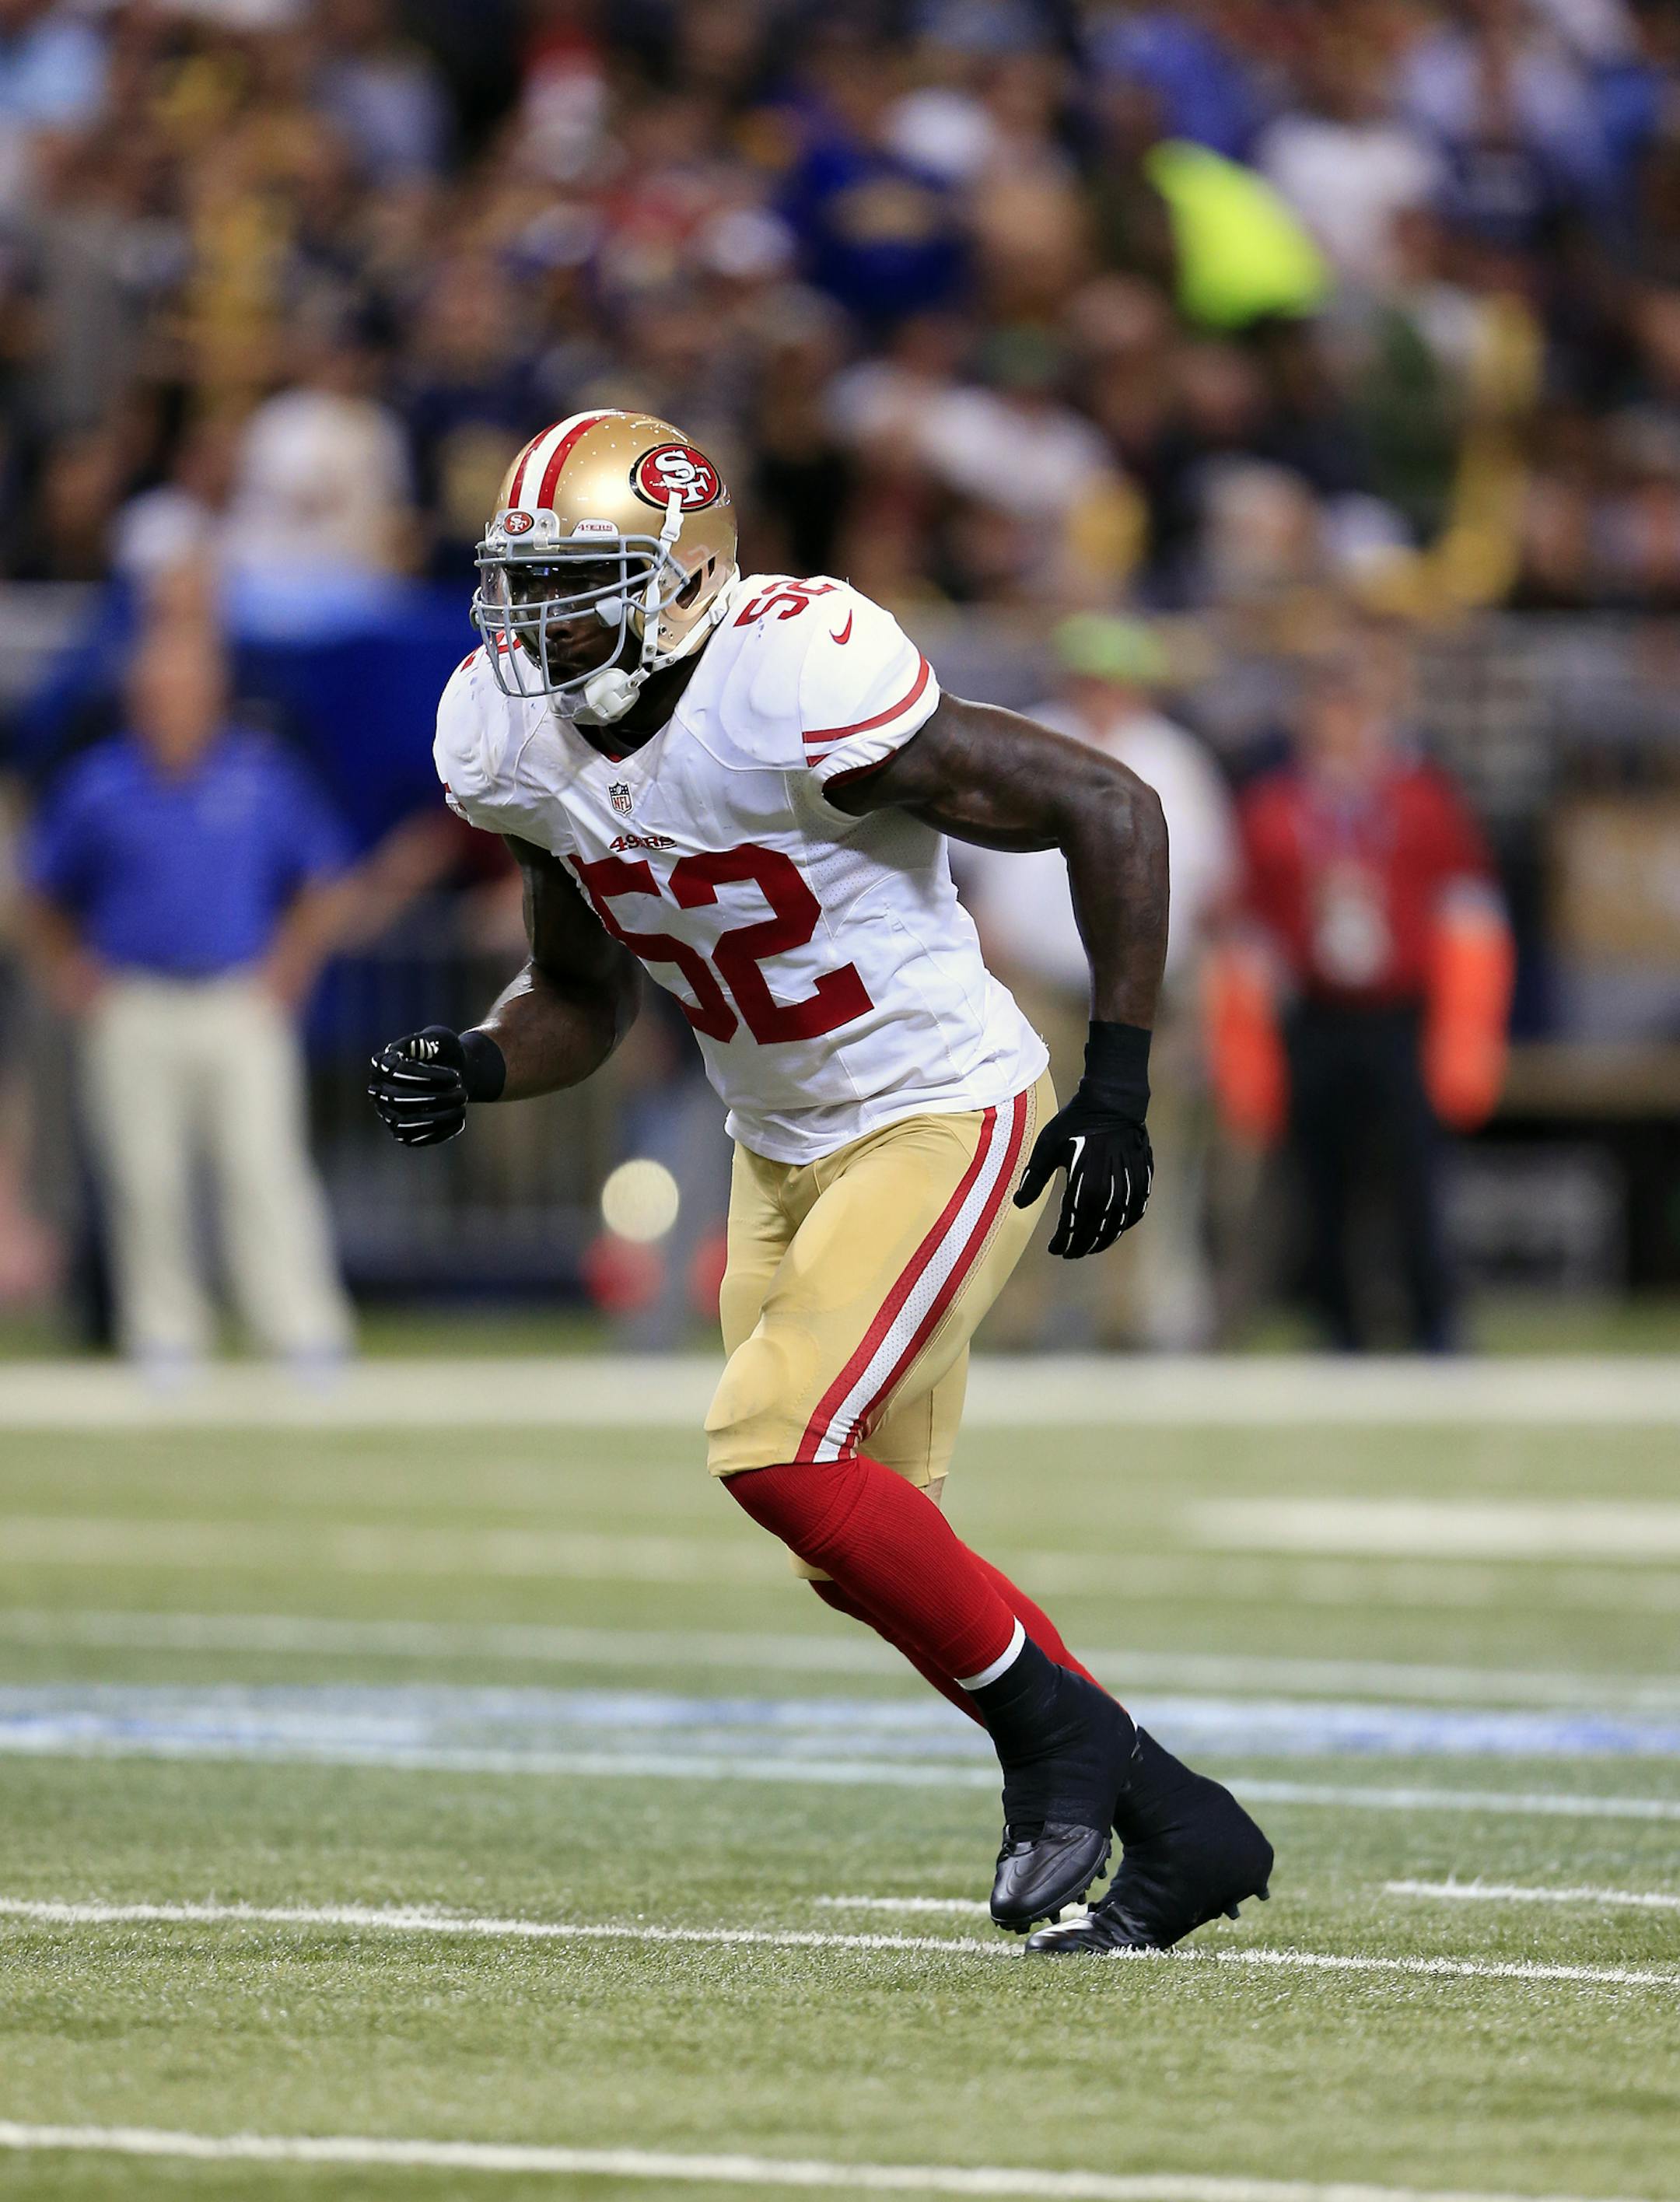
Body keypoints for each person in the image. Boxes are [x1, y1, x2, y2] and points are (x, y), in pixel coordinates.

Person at [368, 409, 1273, 1954]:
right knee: (861, 1541)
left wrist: (1115, 1084)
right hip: (777, 1139)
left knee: (774, 1437)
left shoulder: (792, 673)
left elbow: (1108, 803)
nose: (539, 622)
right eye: (522, 584)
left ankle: (1054, 1746)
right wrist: (479, 1057)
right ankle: (1179, 1818)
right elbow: (581, 994)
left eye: (579, 581)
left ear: (685, 576)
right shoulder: (509, 732)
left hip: (937, 1102)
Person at [21, 611, 356, 1375]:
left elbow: (323, 880)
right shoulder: (99, 786)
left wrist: (290, 965)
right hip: (133, 999)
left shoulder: (260, 774)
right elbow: (40, 890)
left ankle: (301, 1328)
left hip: (238, 996)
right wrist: (71, 970)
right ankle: (165, 1333)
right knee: (145, 1175)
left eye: (184, 687)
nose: (169, 702)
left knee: (263, 1166)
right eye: (157, 688)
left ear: (214, 695)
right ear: (135, 698)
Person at [1228, 631, 1514, 1351]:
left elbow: (1468, 908)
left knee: (1415, 1172)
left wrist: (1467, 1026)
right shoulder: (1275, 808)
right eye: (1327, 710)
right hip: (1317, 1012)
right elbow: (1251, 927)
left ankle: (1433, 1321)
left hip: (1398, 1011)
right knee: (1322, 1176)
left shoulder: (1419, 801)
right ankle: (1339, 1326)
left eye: (1352, 711)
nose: (1339, 727)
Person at [961, 613, 1237, 1349]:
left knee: (1137, 1146)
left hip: (1142, 990)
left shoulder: (1174, 759)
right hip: (1040, 983)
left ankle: (1128, 1316)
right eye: (1090, 677)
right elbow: (979, 869)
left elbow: (1207, 885)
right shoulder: (1028, 738)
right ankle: (1017, 1316)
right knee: (1025, 1145)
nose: (1100, 692)